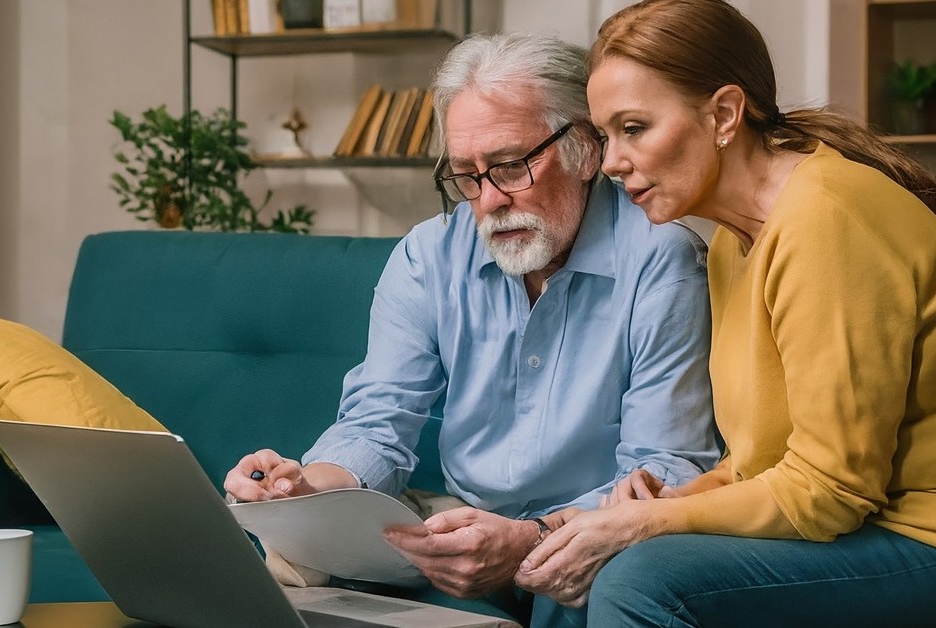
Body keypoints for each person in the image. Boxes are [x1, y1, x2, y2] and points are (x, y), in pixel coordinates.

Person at [513, 1, 936, 626]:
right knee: (585, 562)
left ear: (724, 114)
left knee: (640, 581)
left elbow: (831, 492)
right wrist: (642, 510)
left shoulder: (825, 220)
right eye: (605, 135)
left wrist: (649, 524)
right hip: (869, 524)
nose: (612, 162)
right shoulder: (732, 241)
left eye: (634, 128)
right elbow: (771, 463)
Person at [224, 31, 719, 627]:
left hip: (590, 532)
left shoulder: (663, 260)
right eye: (465, 175)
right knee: (303, 566)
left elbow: (665, 467)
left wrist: (529, 539)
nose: (487, 201)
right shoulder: (429, 254)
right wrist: (304, 492)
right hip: (463, 521)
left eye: (510, 166)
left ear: (585, 149)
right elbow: (377, 423)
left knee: (590, 575)